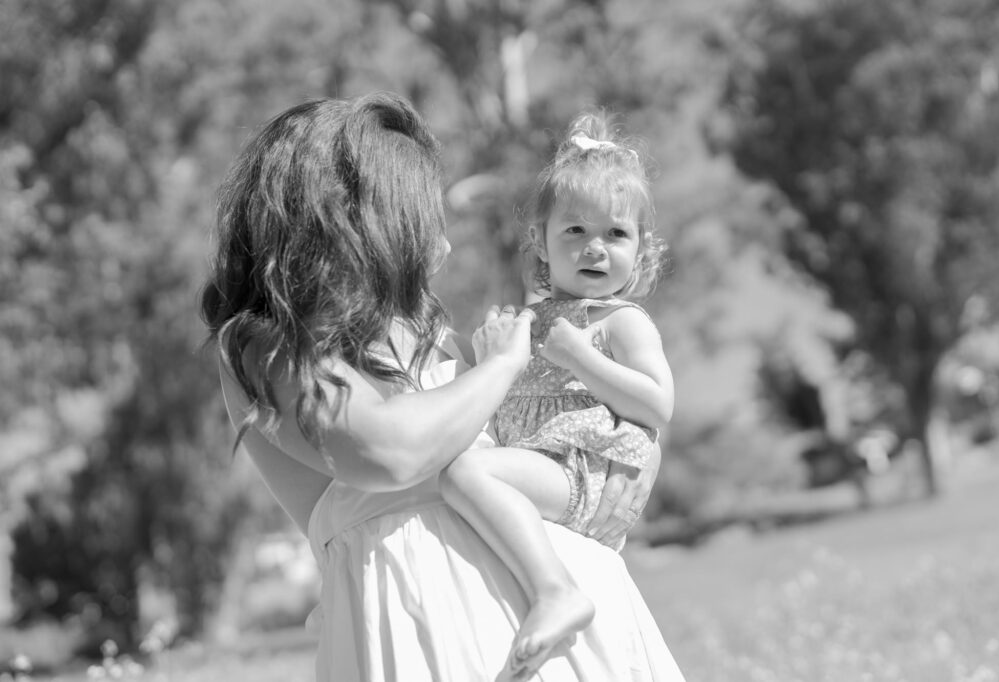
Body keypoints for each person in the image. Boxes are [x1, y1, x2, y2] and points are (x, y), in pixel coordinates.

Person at [200, 92, 685, 682]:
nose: (444, 247)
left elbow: (554, 431)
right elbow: (387, 451)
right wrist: (501, 366)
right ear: (361, 219)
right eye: (422, 221)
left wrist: (635, 448)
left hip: (576, 625)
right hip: (422, 624)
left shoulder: (433, 337)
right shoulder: (264, 344)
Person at [439, 111, 674, 678]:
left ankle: (556, 593)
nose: (596, 247)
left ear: (640, 249)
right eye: (575, 231)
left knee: (466, 475)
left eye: (615, 233)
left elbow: (658, 405)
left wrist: (583, 358)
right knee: (455, 459)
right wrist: (491, 359)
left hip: (580, 472)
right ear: (540, 244)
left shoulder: (620, 321)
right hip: (540, 464)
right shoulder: (533, 319)